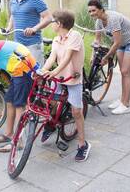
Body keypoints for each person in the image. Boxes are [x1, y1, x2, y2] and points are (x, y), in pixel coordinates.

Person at [40, 9, 91, 162]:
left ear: (60, 24)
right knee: (51, 103)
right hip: (60, 79)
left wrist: (53, 72)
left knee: (76, 112)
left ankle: (83, 144)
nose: (51, 24)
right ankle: (51, 125)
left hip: (73, 79)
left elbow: (67, 58)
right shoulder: (56, 39)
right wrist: (42, 71)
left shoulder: (74, 36)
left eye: (53, 22)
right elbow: (52, 58)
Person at [88, 0, 130, 115]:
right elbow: (97, 39)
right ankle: (122, 99)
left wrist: (106, 57)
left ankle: (126, 104)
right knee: (123, 72)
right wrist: (93, 55)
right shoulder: (98, 22)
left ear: (101, 9)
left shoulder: (112, 19)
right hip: (122, 42)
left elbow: (117, 42)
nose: (91, 13)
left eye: (93, 10)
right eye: (90, 11)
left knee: (125, 71)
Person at [6, 0, 52, 66]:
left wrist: (34, 29)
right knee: (20, 73)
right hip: (18, 44)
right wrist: (8, 28)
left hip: (33, 44)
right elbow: (13, 15)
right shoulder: (12, 1)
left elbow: (48, 18)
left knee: (36, 75)